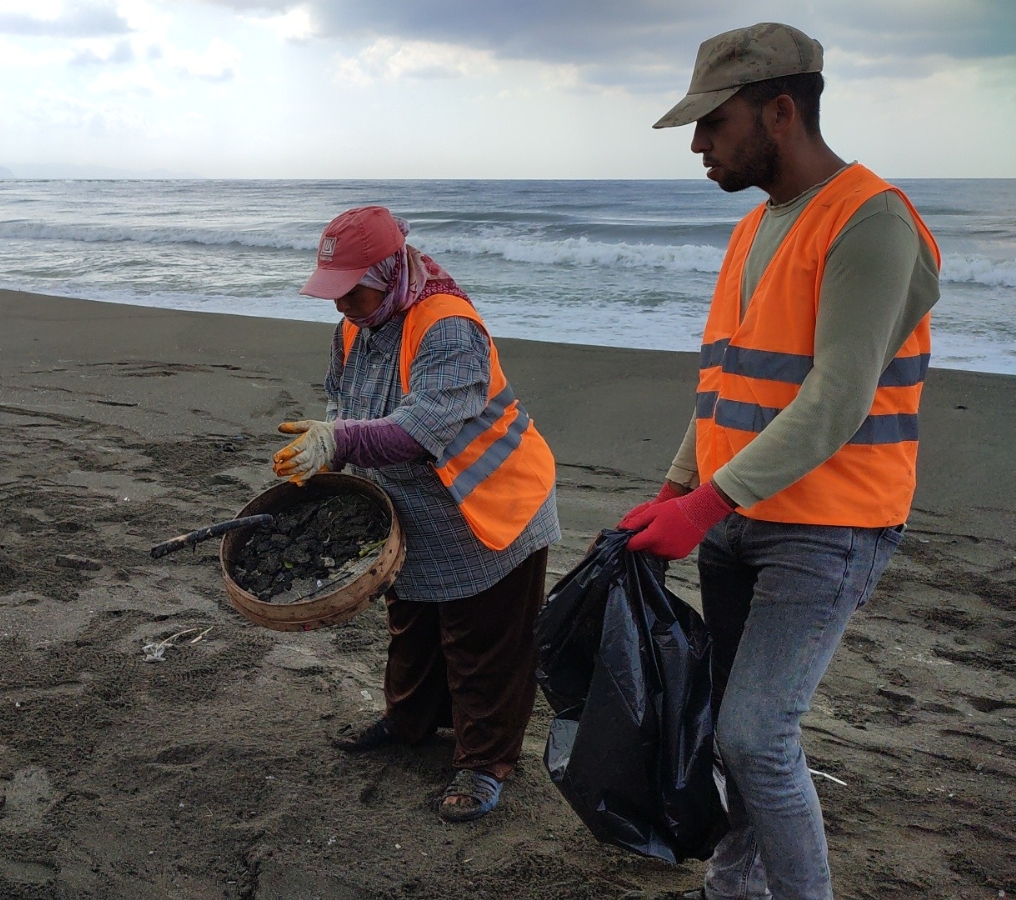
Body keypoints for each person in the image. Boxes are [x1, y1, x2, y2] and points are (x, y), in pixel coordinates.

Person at [622, 23, 940, 899]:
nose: (697, 144)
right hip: (736, 514)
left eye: (712, 123)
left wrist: (703, 503)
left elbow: (837, 400)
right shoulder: (757, 228)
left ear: (781, 111)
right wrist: (676, 488)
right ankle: (735, 888)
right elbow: (724, 384)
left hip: (831, 525)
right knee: (729, 727)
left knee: (758, 736)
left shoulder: (871, 220)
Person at [276, 206, 560, 823]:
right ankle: (410, 722)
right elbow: (342, 394)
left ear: (388, 270)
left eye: (352, 288)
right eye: (334, 290)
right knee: (414, 623)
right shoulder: (358, 322)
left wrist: (340, 441)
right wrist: (329, 457)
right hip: (413, 506)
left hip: (491, 509)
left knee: (484, 641)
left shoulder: (448, 326)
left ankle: (484, 763)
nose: (341, 303)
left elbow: (420, 429)